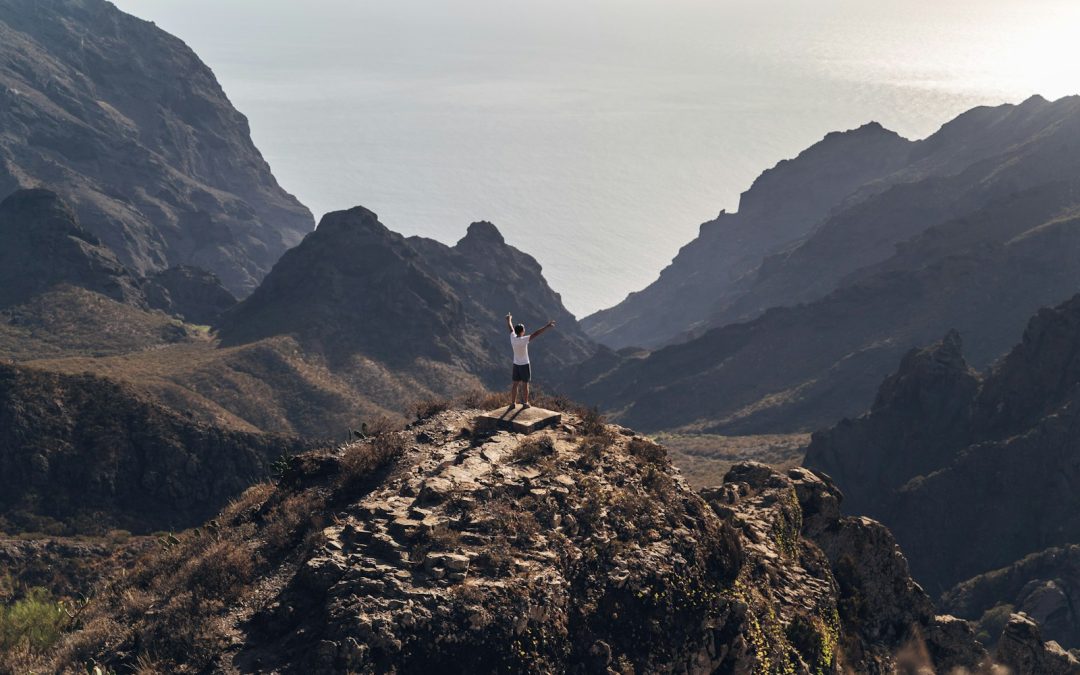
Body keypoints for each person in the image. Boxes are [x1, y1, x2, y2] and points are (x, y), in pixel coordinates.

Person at [505, 313, 555, 409]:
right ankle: (525, 403)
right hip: (524, 365)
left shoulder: (513, 338)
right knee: (525, 384)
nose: (525, 330)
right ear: (522, 332)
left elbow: (511, 328)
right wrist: (547, 326)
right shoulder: (524, 339)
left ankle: (512, 403)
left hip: (516, 364)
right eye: (524, 329)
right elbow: (536, 333)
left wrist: (509, 320)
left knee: (515, 384)